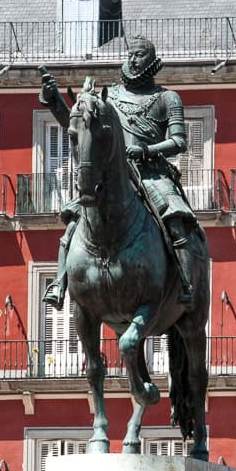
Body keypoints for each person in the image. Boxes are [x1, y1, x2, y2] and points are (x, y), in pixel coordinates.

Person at [39, 35, 197, 308]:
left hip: (152, 173)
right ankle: (59, 283)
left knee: (175, 219)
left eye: (139, 56)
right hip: (115, 175)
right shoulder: (109, 96)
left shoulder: (167, 98)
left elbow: (179, 142)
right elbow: (80, 128)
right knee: (76, 219)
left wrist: (146, 150)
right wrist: (54, 101)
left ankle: (185, 284)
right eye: (131, 54)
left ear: (151, 62)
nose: (133, 60)